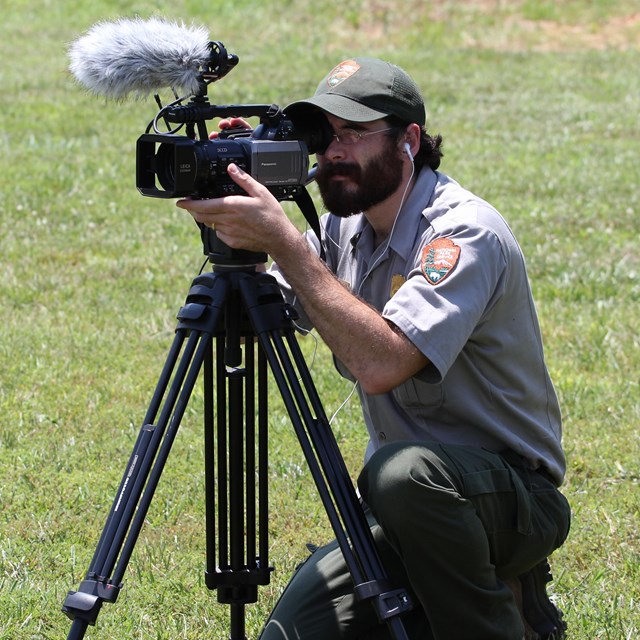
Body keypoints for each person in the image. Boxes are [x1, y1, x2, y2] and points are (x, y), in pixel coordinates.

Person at [177, 57, 571, 640]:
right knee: (290, 634)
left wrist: (287, 245)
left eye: (355, 133)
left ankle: (506, 613)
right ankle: (454, 591)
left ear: (409, 139)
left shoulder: (463, 233)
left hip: (509, 498)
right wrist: (236, 221)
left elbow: (383, 362)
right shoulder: (344, 227)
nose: (334, 152)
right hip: (404, 507)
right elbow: (261, 318)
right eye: (324, 136)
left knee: (399, 473)